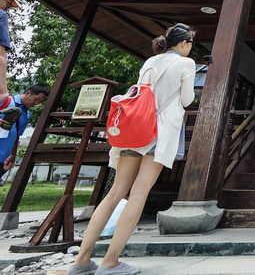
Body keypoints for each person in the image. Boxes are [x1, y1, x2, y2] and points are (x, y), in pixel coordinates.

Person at [68, 23, 197, 275]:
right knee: (138, 194)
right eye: (191, 43)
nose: (191, 48)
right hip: (158, 132)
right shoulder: (186, 64)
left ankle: (81, 260)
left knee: (115, 193)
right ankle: (111, 261)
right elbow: (186, 100)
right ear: (184, 43)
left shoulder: (150, 61)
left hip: (134, 130)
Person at [0, 84, 50, 181]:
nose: (37, 103)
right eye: (36, 99)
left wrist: (13, 155)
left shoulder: (27, 114)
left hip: (3, 157)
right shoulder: (5, 100)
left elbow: (17, 136)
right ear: (27, 93)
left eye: (40, 101)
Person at [0, 0, 21, 101]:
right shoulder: (1, 15)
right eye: (7, 3)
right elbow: (1, 55)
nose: (6, 7)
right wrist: (3, 91)